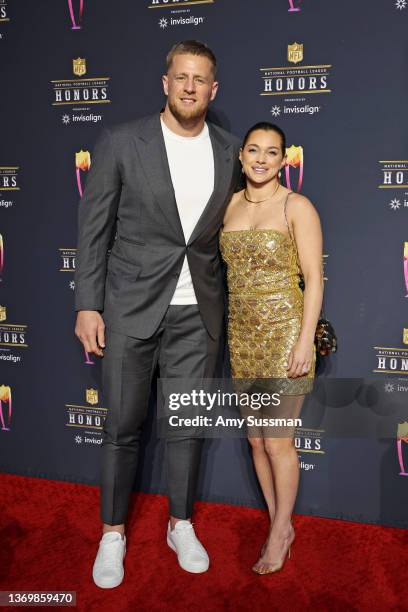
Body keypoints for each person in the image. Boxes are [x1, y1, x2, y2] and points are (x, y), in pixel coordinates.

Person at [74, 40, 241, 587]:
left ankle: (180, 523)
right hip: (128, 308)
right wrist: (87, 305)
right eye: (181, 76)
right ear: (165, 82)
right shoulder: (122, 142)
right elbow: (93, 231)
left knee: (186, 427)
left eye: (201, 80)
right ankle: (113, 533)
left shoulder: (229, 150)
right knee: (121, 427)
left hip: (199, 314)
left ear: (213, 90)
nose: (190, 87)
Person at [220, 122, 323, 574]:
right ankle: (277, 521)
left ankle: (280, 530)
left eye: (273, 152)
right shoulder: (227, 207)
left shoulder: (296, 206)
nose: (262, 159)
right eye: (254, 150)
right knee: (257, 440)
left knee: (279, 441)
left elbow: (315, 279)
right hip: (242, 337)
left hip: (286, 337)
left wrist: (304, 340)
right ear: (241, 156)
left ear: (284, 160)